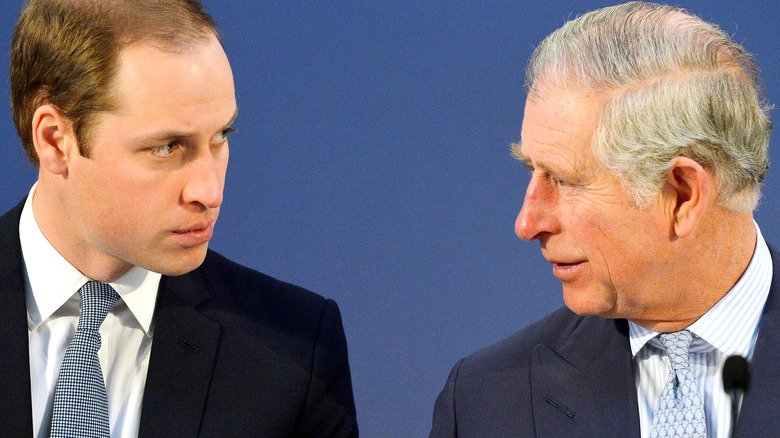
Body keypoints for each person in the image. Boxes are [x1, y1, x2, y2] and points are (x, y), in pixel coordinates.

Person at [0, 0, 358, 436]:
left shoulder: (297, 351)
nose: (210, 192)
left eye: (220, 137)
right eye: (168, 147)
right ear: (55, 141)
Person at [429, 2, 774, 437]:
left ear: (683, 195)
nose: (526, 222)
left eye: (565, 180)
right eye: (531, 171)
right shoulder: (486, 401)